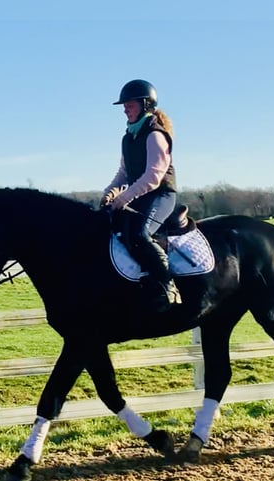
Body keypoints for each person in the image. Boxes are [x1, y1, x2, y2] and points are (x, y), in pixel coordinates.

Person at [100, 79, 180, 312]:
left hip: (162, 195)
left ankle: (167, 284)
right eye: (124, 104)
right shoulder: (128, 137)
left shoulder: (155, 134)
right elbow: (124, 173)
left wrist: (124, 198)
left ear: (145, 104)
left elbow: (154, 176)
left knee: (140, 233)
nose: (125, 108)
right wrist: (110, 193)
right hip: (140, 196)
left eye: (130, 103)